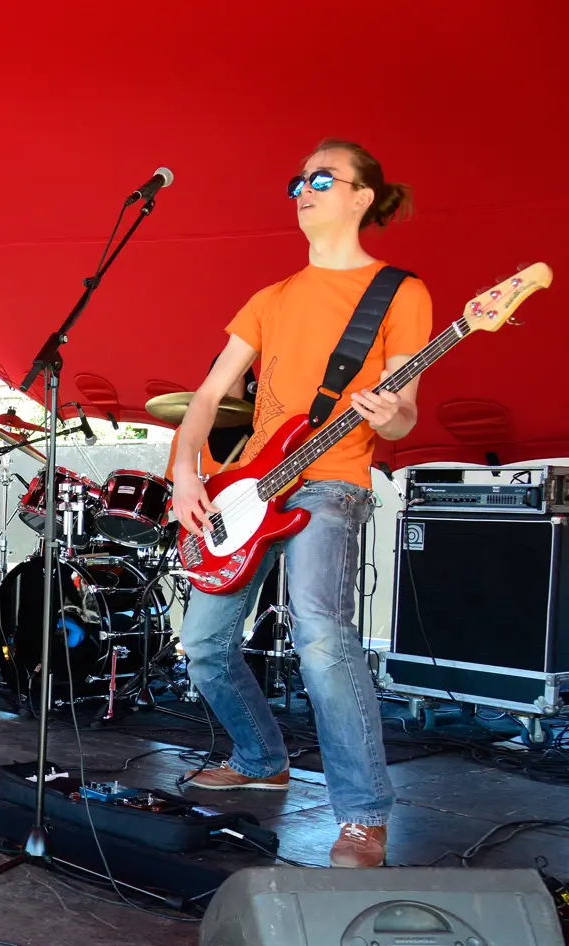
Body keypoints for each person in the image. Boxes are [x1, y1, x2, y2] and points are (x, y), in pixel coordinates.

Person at [171, 139, 430, 868]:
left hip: (333, 480)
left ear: (361, 198)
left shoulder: (400, 293)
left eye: (323, 179)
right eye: (297, 180)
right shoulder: (271, 298)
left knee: (321, 635)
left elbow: (406, 413)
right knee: (203, 644)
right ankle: (260, 758)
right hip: (248, 490)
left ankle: (362, 815)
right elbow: (208, 395)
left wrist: (388, 418)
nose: (303, 190)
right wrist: (186, 473)